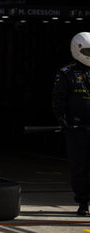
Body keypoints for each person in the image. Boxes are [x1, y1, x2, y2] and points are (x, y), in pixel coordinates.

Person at [52, 32, 90, 216]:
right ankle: (83, 202)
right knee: (79, 166)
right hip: (77, 129)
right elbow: (58, 99)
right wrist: (63, 119)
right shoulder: (66, 73)